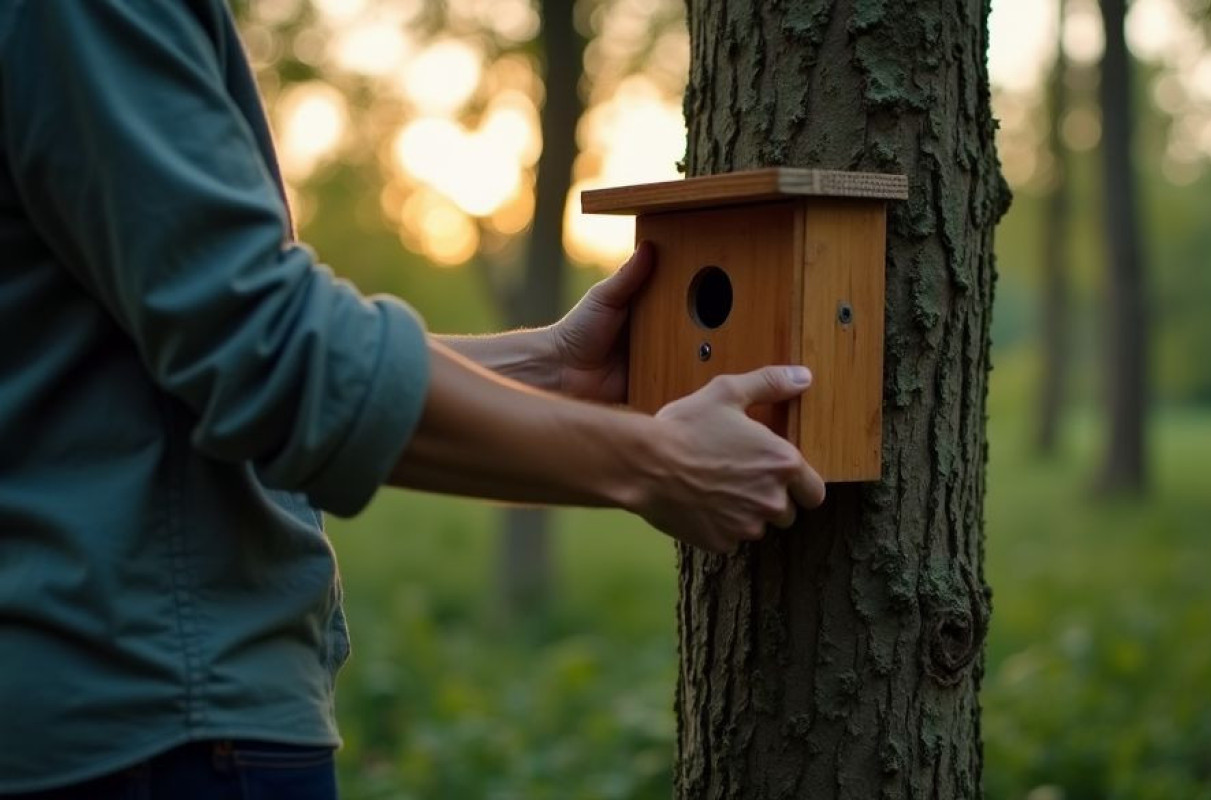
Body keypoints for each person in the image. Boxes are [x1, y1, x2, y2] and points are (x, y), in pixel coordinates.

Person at [0, 2, 825, 797]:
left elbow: (154, 352)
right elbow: (261, 343)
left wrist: (548, 367)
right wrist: (658, 463)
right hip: (151, 723)